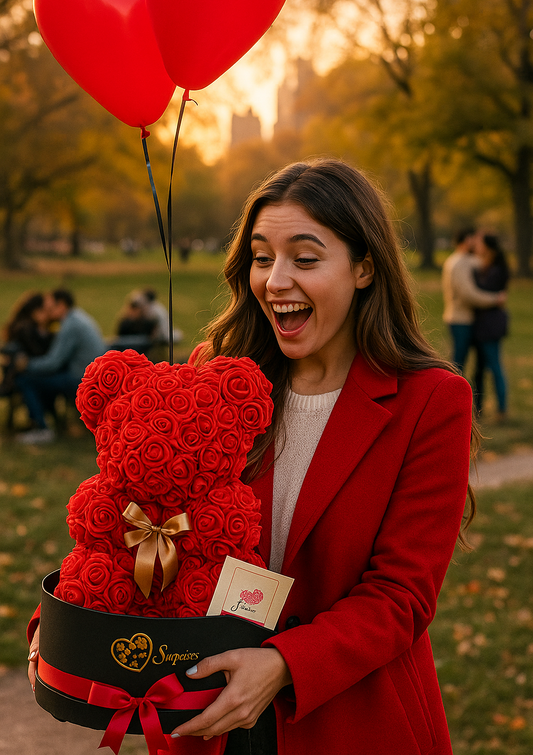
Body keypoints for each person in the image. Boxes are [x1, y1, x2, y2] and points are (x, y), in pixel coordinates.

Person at [28, 160, 477, 755]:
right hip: (207, 721)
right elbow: (140, 523)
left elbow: (402, 595)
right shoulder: (214, 376)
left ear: (364, 267)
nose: (275, 281)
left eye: (305, 259)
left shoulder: (432, 401)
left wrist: (283, 664)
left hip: (350, 718)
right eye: (262, 258)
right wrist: (67, 624)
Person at [15, 288, 106, 444]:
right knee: (43, 379)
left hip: (81, 380)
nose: (48, 312)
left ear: (62, 305)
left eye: (51, 308)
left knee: (25, 380)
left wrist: (27, 364)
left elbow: (52, 363)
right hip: (93, 376)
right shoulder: (78, 317)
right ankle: (51, 422)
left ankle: (42, 429)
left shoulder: (70, 325)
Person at [441, 227, 506, 371]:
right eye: (474, 239)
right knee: (458, 362)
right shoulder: (457, 263)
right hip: (460, 320)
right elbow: (468, 294)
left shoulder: (468, 260)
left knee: (475, 365)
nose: (476, 243)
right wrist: (495, 299)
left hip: (471, 319)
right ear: (467, 240)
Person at [472, 233, 510, 420]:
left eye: (479, 243)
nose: (476, 246)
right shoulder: (488, 265)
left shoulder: (496, 269)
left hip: (490, 324)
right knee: (481, 368)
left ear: (487, 247)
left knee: (494, 366)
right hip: (483, 324)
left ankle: (502, 409)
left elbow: (483, 289)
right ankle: (479, 408)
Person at [0, 292, 55, 397]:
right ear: (36, 312)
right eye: (45, 310)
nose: (49, 314)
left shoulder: (28, 326)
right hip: (19, 377)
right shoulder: (25, 329)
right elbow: (38, 352)